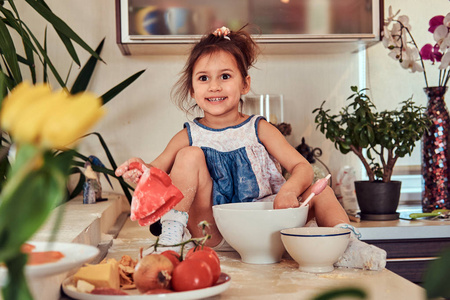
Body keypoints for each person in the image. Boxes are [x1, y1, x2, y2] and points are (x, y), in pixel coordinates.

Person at [116, 26, 386, 270]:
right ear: (192, 89)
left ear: (244, 83)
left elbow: (301, 166)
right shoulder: (188, 136)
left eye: (225, 76)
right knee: (188, 156)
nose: (214, 86)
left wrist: (289, 191)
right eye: (203, 78)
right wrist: (141, 170)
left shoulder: (260, 128)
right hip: (211, 231)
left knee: (322, 191)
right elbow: (157, 173)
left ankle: (347, 245)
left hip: (267, 230)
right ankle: (171, 242)